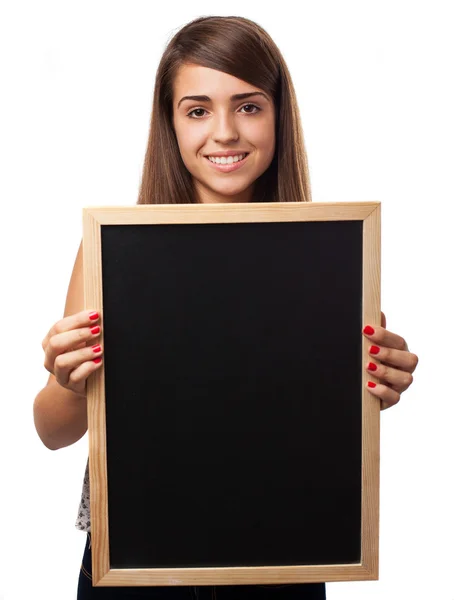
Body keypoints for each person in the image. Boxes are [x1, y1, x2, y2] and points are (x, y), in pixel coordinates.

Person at [33, 15, 419, 600]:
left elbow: (324, 415)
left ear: (278, 116)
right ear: (171, 124)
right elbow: (52, 432)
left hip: (282, 555)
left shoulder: (329, 252)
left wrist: (373, 385)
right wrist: (69, 380)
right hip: (138, 559)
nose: (224, 132)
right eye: (197, 110)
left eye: (248, 106)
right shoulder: (112, 251)